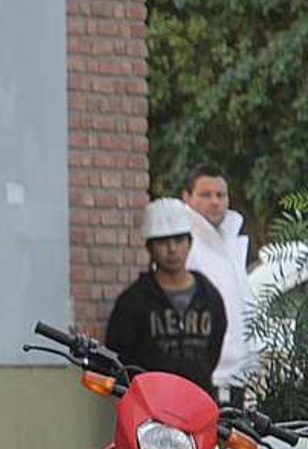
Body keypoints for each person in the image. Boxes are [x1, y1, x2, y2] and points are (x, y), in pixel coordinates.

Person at [104, 198, 227, 392]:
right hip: (150, 407)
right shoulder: (134, 301)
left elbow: (214, 349)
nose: (172, 249)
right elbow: (121, 357)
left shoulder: (209, 296)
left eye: (179, 240)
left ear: (190, 242)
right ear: (149, 248)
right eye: (163, 242)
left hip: (199, 401)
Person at [180, 163, 256, 402]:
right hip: (203, 382)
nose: (214, 202)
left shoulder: (231, 244)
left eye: (220, 195)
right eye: (205, 195)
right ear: (187, 197)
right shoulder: (183, 247)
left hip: (238, 382)